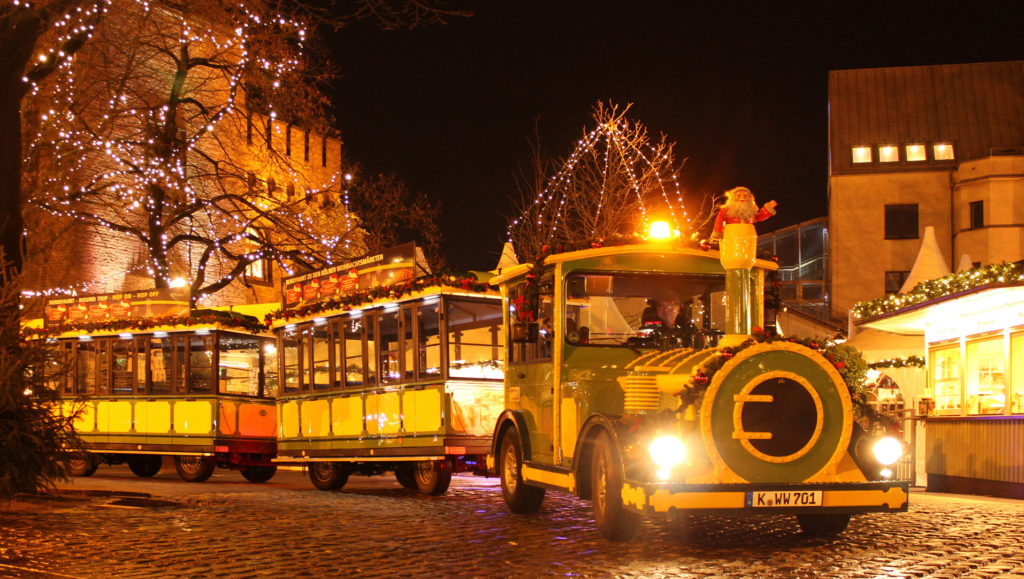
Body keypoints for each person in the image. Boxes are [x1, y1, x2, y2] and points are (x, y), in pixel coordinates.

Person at [711, 186, 777, 241]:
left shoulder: (750, 212)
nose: (742, 198)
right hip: (731, 235)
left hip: (748, 236)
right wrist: (718, 232)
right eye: (738, 195)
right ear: (732, 198)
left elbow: (759, 217)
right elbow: (719, 220)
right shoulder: (726, 210)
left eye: (745, 196)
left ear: (750, 199)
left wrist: (767, 208)